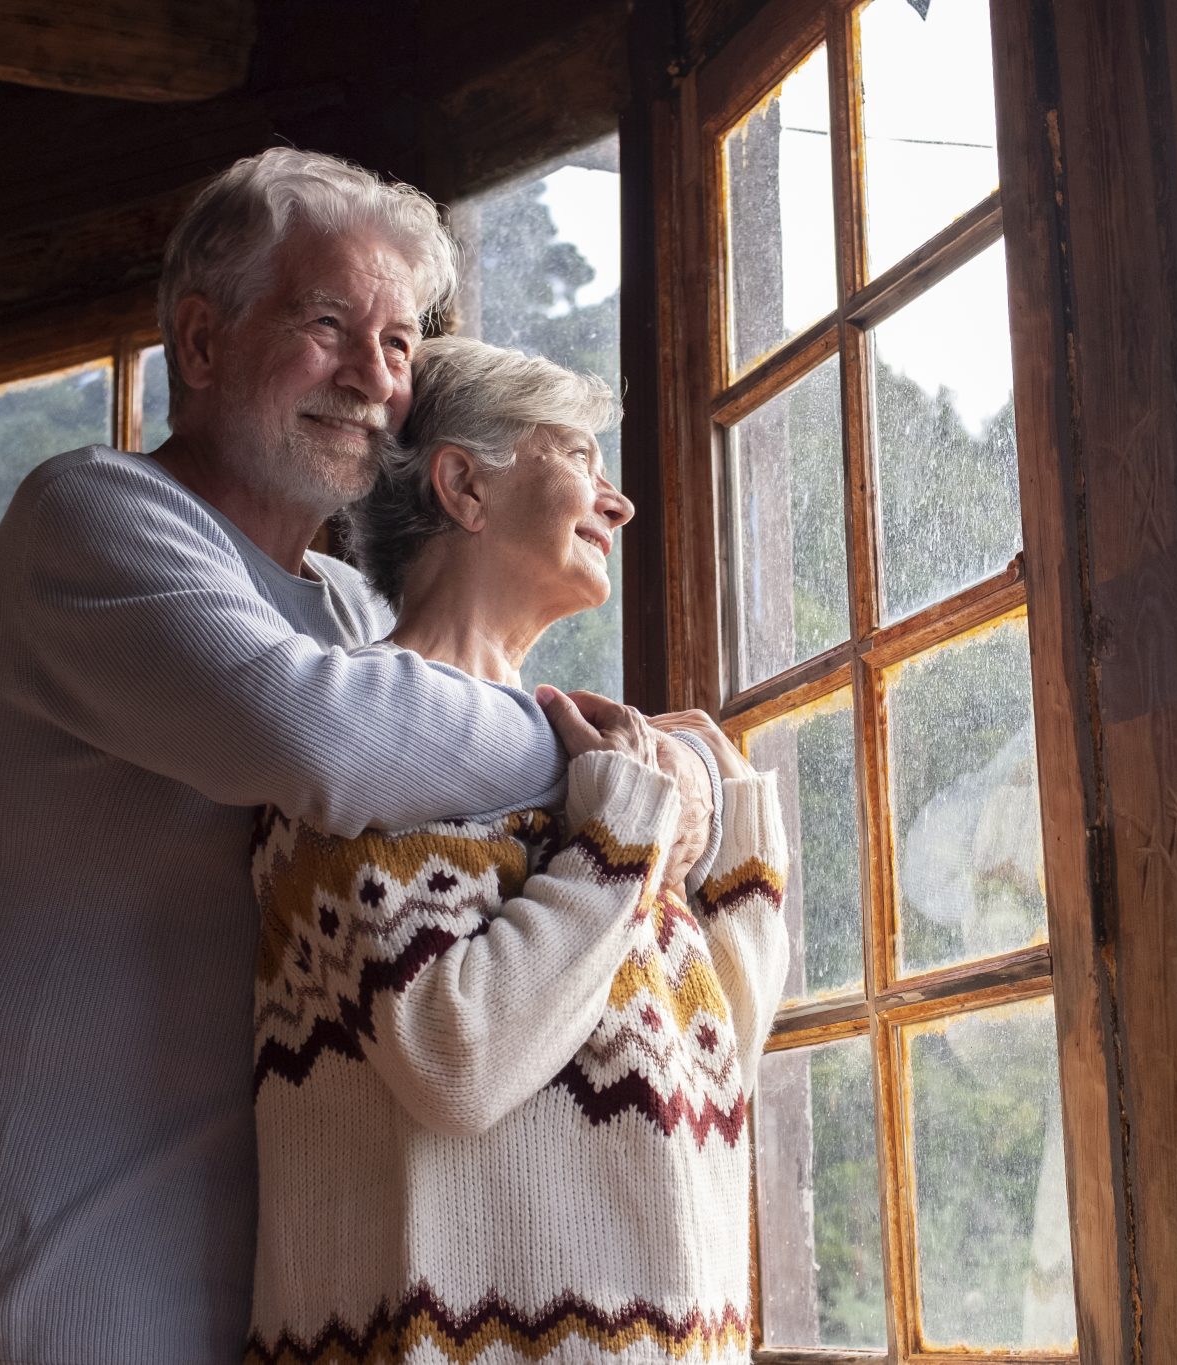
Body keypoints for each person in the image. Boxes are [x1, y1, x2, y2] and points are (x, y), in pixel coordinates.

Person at [0, 150, 719, 1365]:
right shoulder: (93, 518)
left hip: (285, 1287)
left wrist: (654, 780)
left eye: (397, 345)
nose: (371, 379)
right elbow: (319, 734)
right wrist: (608, 766)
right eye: (327, 324)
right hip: (69, 1279)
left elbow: (417, 748)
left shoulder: (338, 602)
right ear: (203, 340)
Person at [247, 337, 790, 1365]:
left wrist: (733, 828)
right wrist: (622, 839)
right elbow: (457, 1060)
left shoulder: (577, 776)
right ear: (462, 485)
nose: (618, 503)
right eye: (579, 455)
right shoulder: (363, 749)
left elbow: (710, 1080)